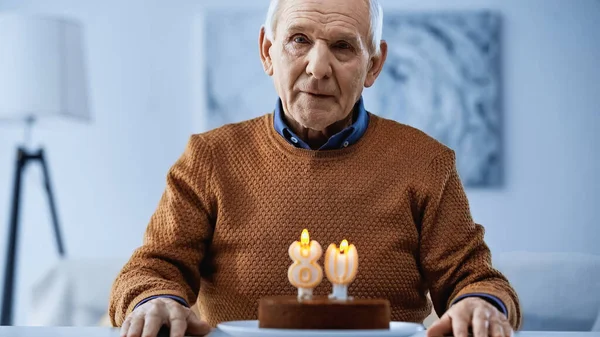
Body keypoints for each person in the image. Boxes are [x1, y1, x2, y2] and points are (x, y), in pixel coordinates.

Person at [109, 0, 521, 336]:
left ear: (374, 65)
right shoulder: (208, 157)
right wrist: (155, 300)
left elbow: (477, 279)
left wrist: (480, 304)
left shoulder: (427, 162)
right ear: (268, 52)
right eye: (299, 40)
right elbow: (150, 270)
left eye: (343, 46)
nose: (318, 67)